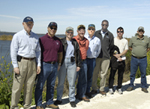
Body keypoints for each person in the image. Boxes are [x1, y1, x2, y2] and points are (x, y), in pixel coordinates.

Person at [10, 16, 41, 109]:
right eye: (28, 23)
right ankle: (14, 106)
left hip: (32, 63)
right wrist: (15, 66)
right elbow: (13, 52)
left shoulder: (35, 36)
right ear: (23, 24)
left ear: (33, 24)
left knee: (29, 86)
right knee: (17, 87)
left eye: (31, 23)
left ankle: (27, 106)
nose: (29, 25)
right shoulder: (17, 36)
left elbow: (38, 52)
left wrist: (38, 64)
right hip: (21, 62)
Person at [35, 22, 63, 109]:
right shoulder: (42, 39)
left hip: (54, 65)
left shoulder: (58, 41)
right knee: (40, 85)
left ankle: (49, 102)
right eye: (51, 28)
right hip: (44, 65)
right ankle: (39, 104)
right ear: (48, 28)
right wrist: (38, 65)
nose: (53, 30)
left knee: (51, 85)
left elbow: (60, 53)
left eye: (55, 28)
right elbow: (37, 53)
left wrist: (59, 63)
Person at [54, 27, 82, 107]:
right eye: (68, 32)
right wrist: (58, 63)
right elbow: (58, 53)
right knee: (60, 82)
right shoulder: (61, 41)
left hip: (72, 63)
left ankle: (72, 99)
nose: (70, 33)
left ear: (73, 33)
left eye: (71, 32)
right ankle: (59, 99)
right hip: (63, 63)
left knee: (72, 82)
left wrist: (78, 65)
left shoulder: (75, 42)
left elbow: (77, 54)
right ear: (66, 33)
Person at [91, 20, 114, 95]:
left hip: (106, 57)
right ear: (101, 25)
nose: (104, 26)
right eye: (103, 24)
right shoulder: (96, 33)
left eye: (106, 25)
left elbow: (111, 46)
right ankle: (94, 88)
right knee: (95, 73)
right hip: (97, 57)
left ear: (108, 25)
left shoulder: (110, 35)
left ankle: (102, 88)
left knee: (103, 74)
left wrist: (108, 54)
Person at [127, 26, 150, 93]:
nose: (140, 32)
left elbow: (148, 48)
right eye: (139, 31)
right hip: (134, 58)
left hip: (143, 59)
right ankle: (131, 85)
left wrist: (143, 52)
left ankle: (144, 86)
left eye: (142, 31)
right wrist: (135, 51)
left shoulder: (147, 39)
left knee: (143, 73)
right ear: (137, 31)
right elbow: (130, 47)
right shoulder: (133, 39)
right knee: (132, 73)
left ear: (144, 32)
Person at [108, 27, 128, 94]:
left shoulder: (125, 41)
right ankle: (110, 87)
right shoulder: (113, 40)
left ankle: (119, 87)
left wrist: (120, 55)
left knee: (120, 74)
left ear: (123, 32)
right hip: (114, 59)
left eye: (121, 31)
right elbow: (110, 50)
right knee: (112, 74)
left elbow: (126, 50)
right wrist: (116, 56)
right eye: (118, 31)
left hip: (122, 59)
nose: (120, 33)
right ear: (116, 32)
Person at [73, 25, 90, 102]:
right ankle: (72, 96)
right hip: (75, 63)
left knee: (83, 80)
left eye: (83, 30)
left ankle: (81, 95)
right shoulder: (74, 40)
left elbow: (86, 49)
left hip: (84, 61)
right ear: (77, 31)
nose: (81, 32)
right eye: (80, 30)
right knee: (73, 80)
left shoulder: (86, 41)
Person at [85, 24, 101, 98]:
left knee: (90, 77)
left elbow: (98, 50)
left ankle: (88, 91)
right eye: (90, 29)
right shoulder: (84, 38)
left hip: (92, 60)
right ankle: (81, 92)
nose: (91, 30)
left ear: (94, 30)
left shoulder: (97, 40)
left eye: (92, 29)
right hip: (84, 60)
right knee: (83, 76)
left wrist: (94, 56)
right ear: (87, 30)